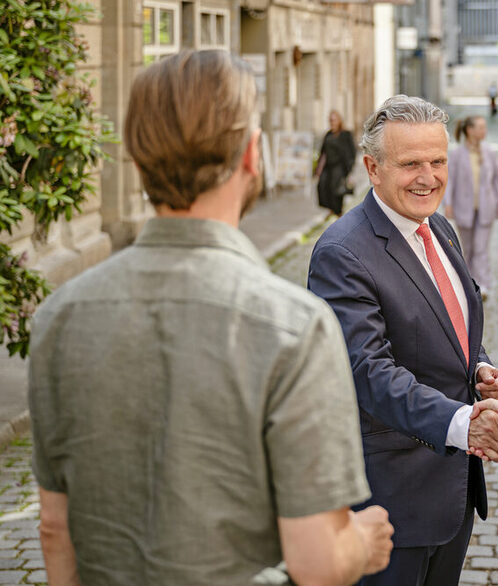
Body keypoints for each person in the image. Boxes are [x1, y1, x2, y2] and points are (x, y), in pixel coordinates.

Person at [28, 50, 393, 586]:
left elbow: (55, 529)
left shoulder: (59, 316)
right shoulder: (295, 325)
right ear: (251, 154)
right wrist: (362, 542)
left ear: (138, 159)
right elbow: (317, 561)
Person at [308, 94, 498, 586]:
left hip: (453, 493)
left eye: (437, 161)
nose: (429, 177)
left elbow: (450, 326)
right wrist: (465, 423)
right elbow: (368, 373)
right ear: (372, 169)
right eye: (410, 164)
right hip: (391, 504)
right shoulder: (342, 252)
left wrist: (480, 368)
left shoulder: (438, 227)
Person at [445, 115, 498, 300]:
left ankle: (483, 285)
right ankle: (468, 283)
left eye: (484, 127)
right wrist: (448, 203)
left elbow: (497, 178)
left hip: (486, 207)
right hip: (464, 207)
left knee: (481, 248)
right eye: (480, 127)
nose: (484, 131)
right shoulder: (457, 154)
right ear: (469, 130)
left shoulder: (489, 152)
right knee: (468, 249)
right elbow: (449, 180)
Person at [316, 109, 356, 219]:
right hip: (328, 166)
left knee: (336, 189)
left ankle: (338, 212)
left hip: (339, 166)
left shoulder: (345, 134)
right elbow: (323, 152)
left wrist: (349, 168)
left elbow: (351, 151)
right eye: (330, 120)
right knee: (323, 186)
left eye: (334, 120)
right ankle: (331, 209)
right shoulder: (328, 134)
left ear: (339, 120)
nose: (332, 122)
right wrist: (319, 167)